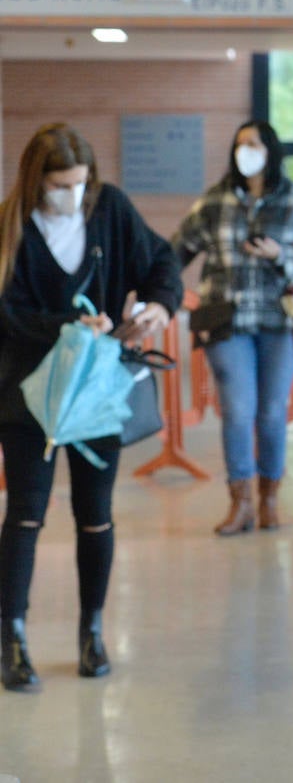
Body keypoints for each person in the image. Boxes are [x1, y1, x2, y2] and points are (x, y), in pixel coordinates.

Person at [0, 123, 183, 691]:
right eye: (59, 185)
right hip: (28, 396)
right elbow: (7, 313)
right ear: (37, 181)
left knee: (95, 514)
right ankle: (13, 637)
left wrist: (158, 306)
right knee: (26, 515)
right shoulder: (9, 226)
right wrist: (67, 326)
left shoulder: (110, 212)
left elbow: (162, 262)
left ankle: (92, 631)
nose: (70, 195)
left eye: (79, 184)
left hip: (97, 393)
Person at [171, 120, 293, 536]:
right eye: (240, 143)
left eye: (254, 144)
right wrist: (156, 292)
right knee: (239, 411)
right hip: (227, 320)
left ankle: (269, 501)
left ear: (271, 150)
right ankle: (240, 502)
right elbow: (177, 251)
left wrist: (285, 253)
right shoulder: (215, 200)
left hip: (281, 320)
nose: (246, 150)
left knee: (271, 412)